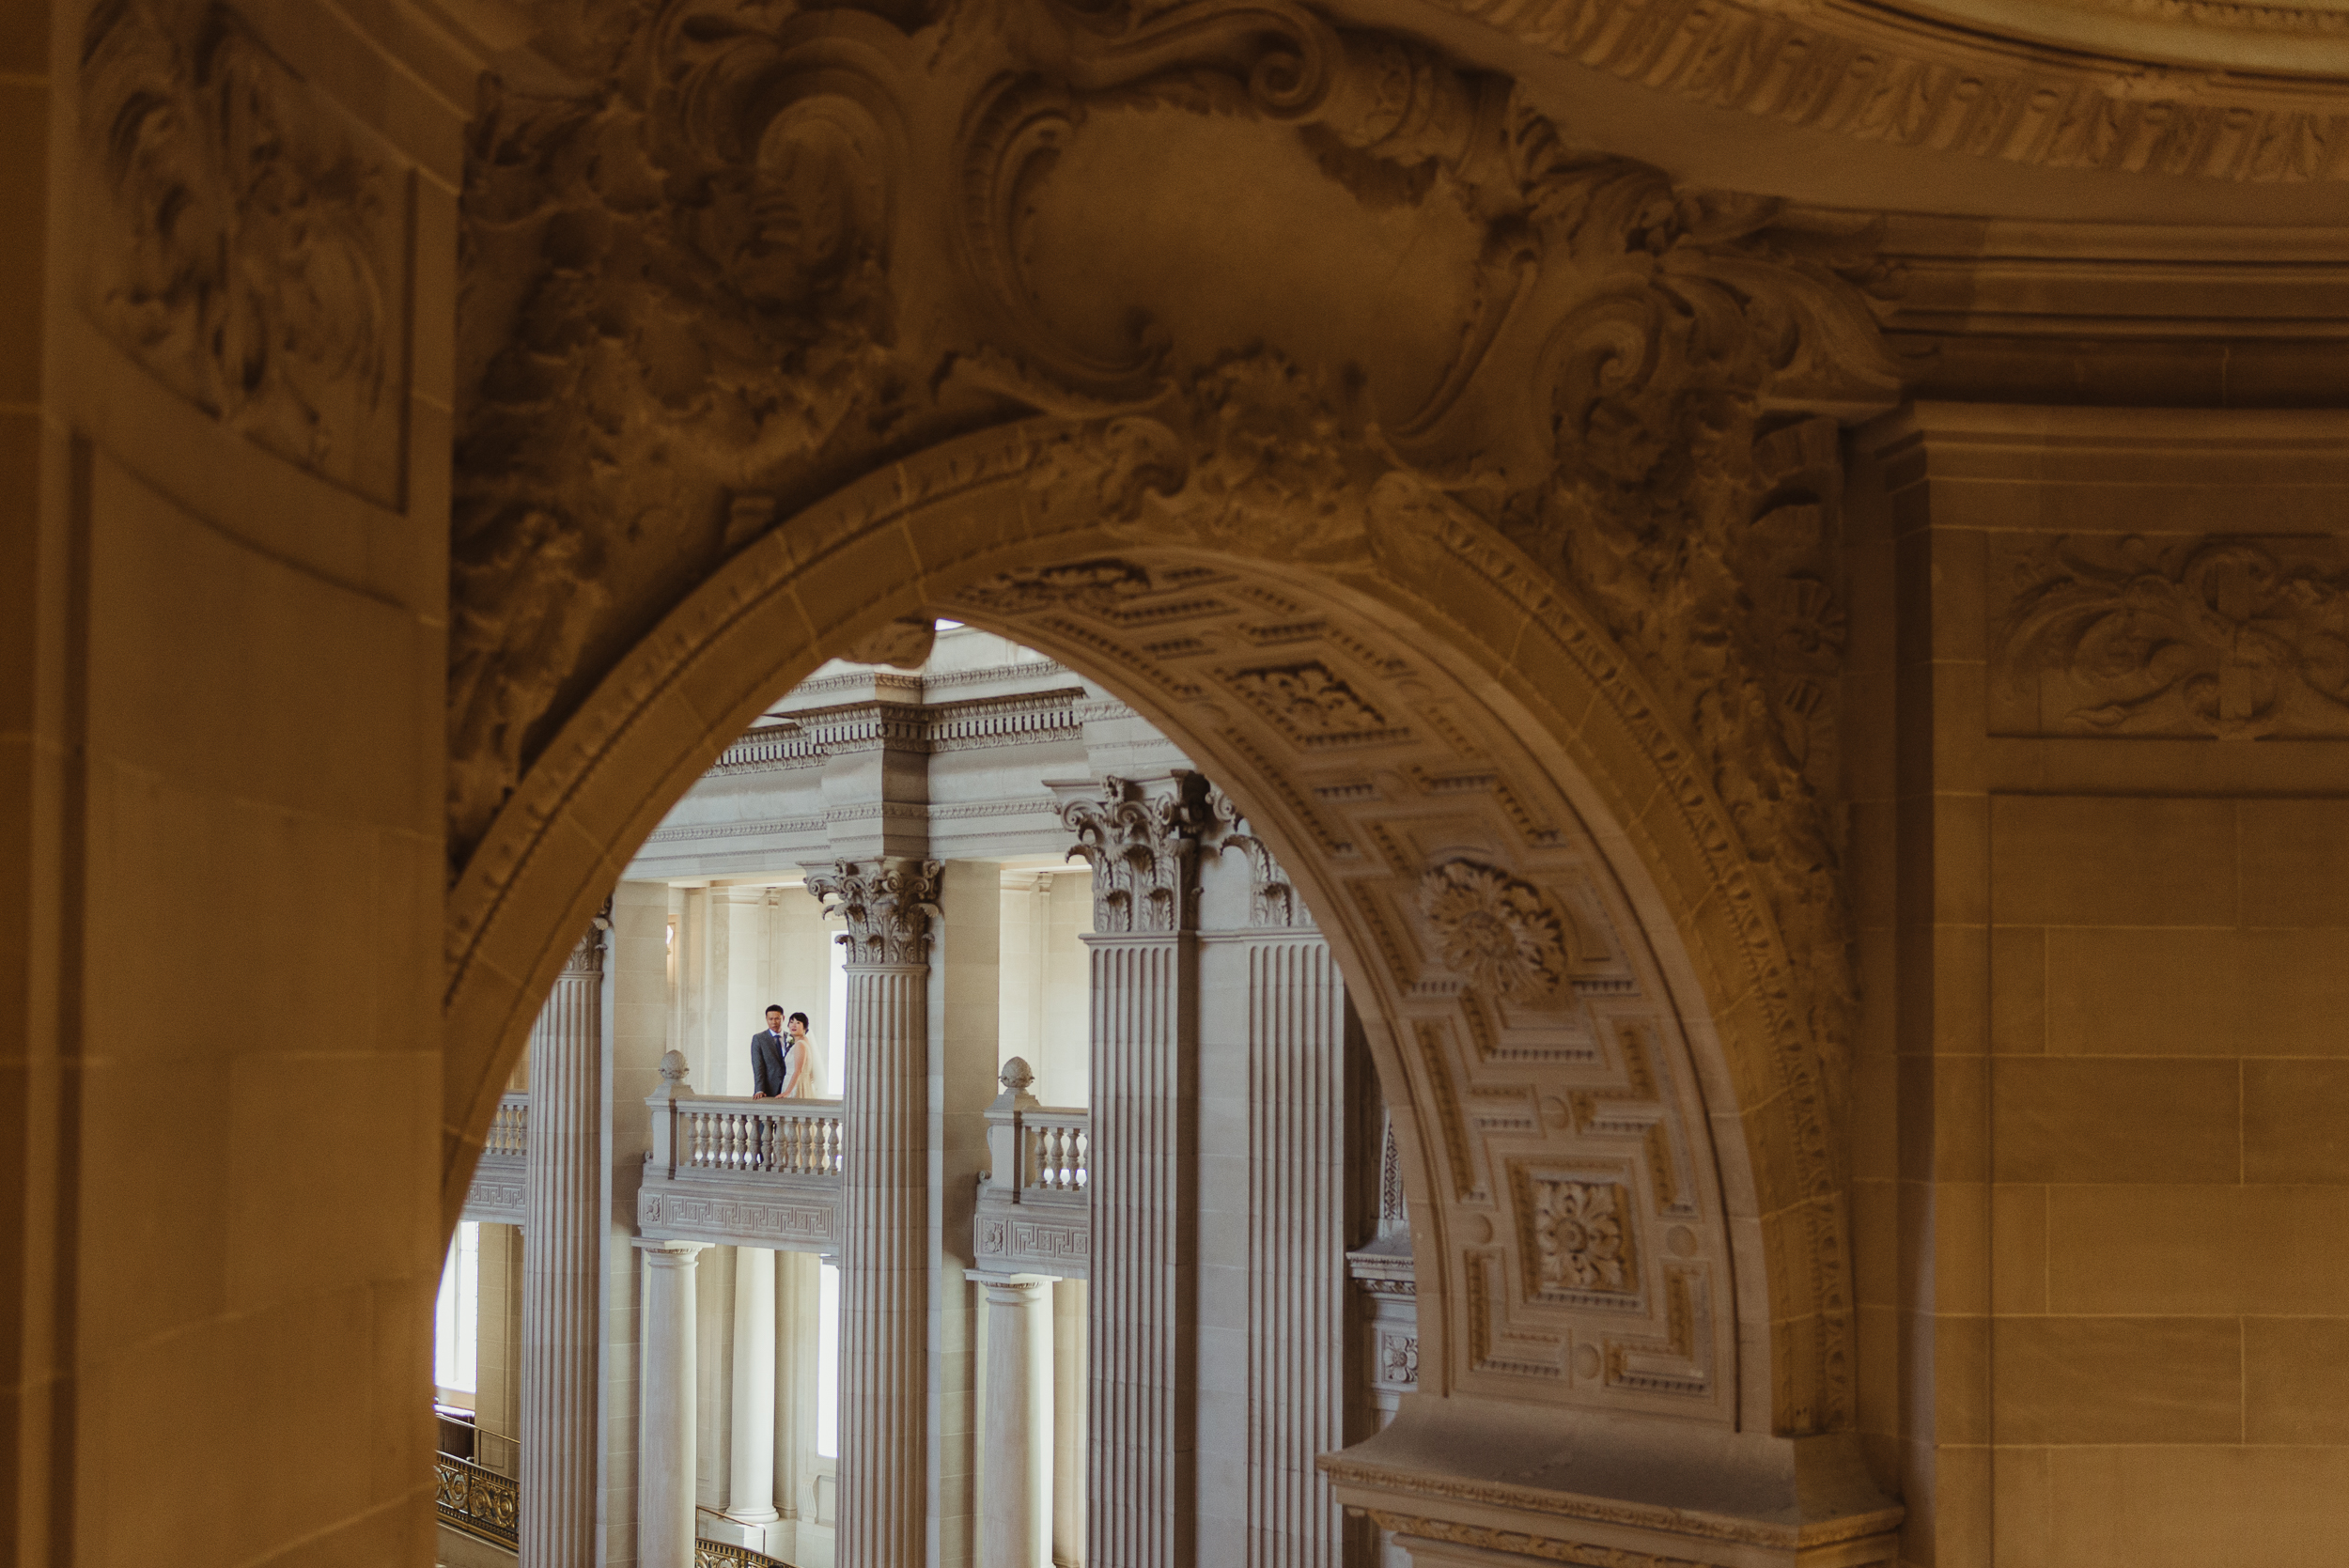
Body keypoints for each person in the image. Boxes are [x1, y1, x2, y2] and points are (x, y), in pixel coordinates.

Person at [751, 1005, 789, 1098]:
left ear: (783, 1018)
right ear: (766, 1019)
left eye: (777, 1019)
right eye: (770, 1019)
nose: (774, 1022)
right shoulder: (759, 1038)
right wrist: (759, 1089)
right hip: (769, 1088)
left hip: (788, 1087)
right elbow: (758, 1066)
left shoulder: (790, 1037)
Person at [780, 1010, 819, 1098]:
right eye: (791, 1022)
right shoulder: (805, 1041)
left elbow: (798, 1070)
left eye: (798, 1022)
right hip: (801, 1083)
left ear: (804, 1027)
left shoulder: (800, 1044)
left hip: (796, 1086)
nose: (793, 1025)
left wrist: (787, 1092)